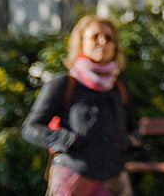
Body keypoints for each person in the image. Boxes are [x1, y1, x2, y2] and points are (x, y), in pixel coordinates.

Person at [23, 15, 140, 196]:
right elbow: (31, 128)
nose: (102, 42)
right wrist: (67, 140)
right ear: (81, 42)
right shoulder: (64, 84)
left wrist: (127, 142)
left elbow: (133, 128)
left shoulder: (120, 86)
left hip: (114, 179)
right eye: (95, 37)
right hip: (72, 177)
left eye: (109, 38)